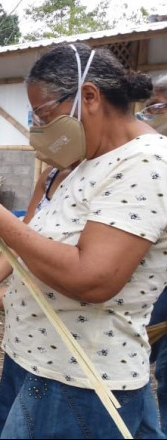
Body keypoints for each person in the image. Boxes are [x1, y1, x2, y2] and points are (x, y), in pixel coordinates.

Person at [0, 43, 167, 438]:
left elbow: (94, 279)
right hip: (35, 359)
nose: (40, 128)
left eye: (44, 115)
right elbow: (36, 237)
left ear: (89, 96)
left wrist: (1, 220)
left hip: (79, 380)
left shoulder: (145, 163)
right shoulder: (79, 164)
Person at [0, 164, 75, 439]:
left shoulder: (124, 171)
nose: (38, 128)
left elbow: (90, 272)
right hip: (23, 340)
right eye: (36, 119)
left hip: (64, 354)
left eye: (45, 117)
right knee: (8, 420)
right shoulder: (50, 175)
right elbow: (25, 234)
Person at [139, 73, 167, 434]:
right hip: (155, 280)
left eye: (158, 106)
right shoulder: (148, 153)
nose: (151, 113)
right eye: (148, 106)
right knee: (140, 359)